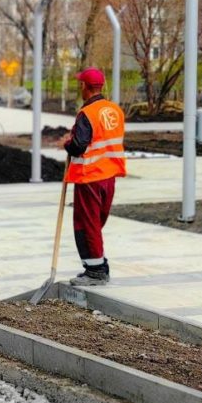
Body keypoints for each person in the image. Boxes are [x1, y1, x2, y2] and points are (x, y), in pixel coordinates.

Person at [59, 67, 126, 286]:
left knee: (86, 224)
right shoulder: (115, 110)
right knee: (96, 222)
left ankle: (95, 271)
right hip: (109, 175)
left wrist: (66, 144)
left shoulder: (87, 113)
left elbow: (79, 146)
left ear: (84, 87)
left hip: (90, 176)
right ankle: (99, 264)